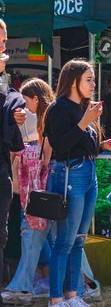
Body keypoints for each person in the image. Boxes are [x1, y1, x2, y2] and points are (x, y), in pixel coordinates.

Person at [44, 59, 111, 307]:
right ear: (73, 81)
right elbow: (61, 145)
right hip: (69, 174)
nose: (93, 84)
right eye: (88, 80)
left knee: (78, 240)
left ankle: (72, 295)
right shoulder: (58, 108)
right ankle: (56, 299)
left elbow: (81, 144)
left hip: (87, 174)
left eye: (93, 80)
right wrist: (85, 122)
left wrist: (102, 145)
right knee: (64, 242)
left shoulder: (84, 108)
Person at [2, 78, 54, 304]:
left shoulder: (39, 118)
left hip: (36, 187)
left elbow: (43, 155)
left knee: (34, 232)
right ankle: (78, 283)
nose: (22, 107)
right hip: (37, 186)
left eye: (25, 101)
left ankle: (24, 285)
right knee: (49, 236)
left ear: (35, 98)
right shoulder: (41, 117)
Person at [0, 19, 26, 284]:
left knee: (1, 234)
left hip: (2, 171)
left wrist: (19, 118)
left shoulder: (9, 90)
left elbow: (16, 142)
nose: (2, 46)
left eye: (4, 41)